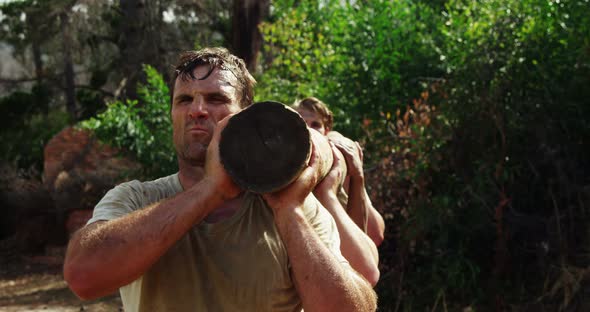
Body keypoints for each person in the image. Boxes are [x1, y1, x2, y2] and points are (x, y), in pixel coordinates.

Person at [63, 48, 378, 312]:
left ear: (246, 116)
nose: (197, 110)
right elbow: (82, 277)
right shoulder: (134, 199)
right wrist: (211, 190)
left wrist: (289, 210)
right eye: (184, 100)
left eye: (215, 99)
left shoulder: (295, 206)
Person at [292, 97, 385, 247]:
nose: (308, 129)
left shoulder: (337, 164)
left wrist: (355, 176)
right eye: (302, 123)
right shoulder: (284, 167)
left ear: (326, 131)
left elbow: (375, 234)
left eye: (315, 125)